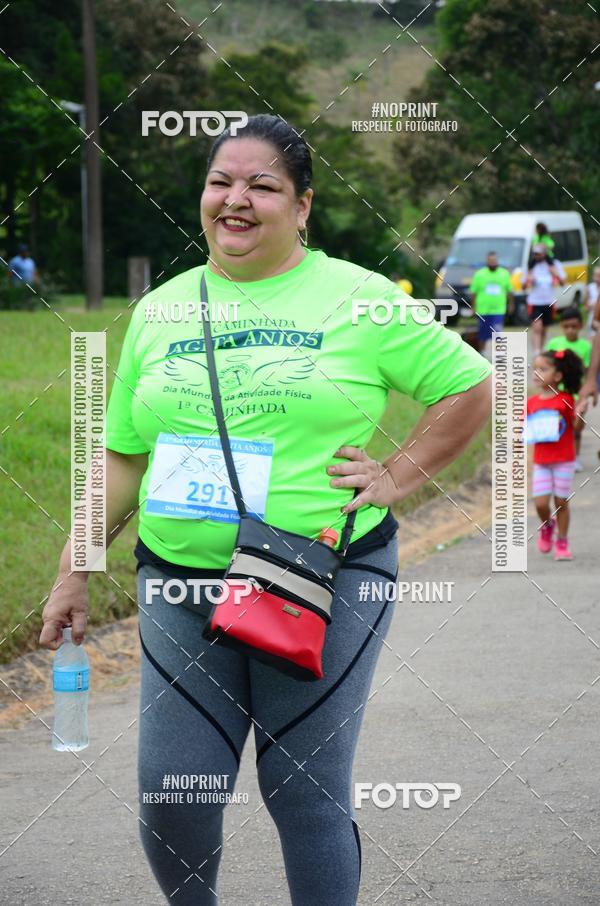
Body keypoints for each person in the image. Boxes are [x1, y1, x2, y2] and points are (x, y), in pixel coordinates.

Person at [39, 114, 492, 906]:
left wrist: (397, 474)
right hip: (179, 579)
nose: (235, 199)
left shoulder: (359, 297)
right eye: (222, 181)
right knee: (171, 794)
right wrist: (73, 569)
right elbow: (122, 455)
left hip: (318, 575)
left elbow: (472, 385)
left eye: (262, 185)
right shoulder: (163, 308)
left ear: (303, 205)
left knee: (302, 789)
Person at [527, 348, 584, 560]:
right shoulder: (530, 403)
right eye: (535, 369)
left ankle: (562, 541)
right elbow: (525, 429)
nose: (536, 373)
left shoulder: (565, 399)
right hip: (542, 461)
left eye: (543, 369)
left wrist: (581, 415)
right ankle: (547, 525)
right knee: (541, 503)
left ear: (558, 376)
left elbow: (576, 428)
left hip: (564, 460)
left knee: (561, 502)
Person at [545, 307, 591, 470]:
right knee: (557, 425)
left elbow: (588, 372)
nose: (570, 330)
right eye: (566, 326)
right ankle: (556, 457)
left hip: (577, 393)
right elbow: (547, 367)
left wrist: (587, 394)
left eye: (574, 326)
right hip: (557, 393)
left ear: (581, 325)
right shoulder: (554, 344)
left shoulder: (586, 346)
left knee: (577, 426)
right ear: (561, 327)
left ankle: (574, 457)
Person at [468, 251, 512, 357]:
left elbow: (509, 291)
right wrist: (473, 307)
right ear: (487, 262)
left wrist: (511, 304)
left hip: (498, 310)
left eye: (494, 261)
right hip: (483, 310)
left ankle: (500, 354)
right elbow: (473, 292)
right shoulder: (479, 274)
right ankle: (481, 353)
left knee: (497, 330)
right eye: (490, 261)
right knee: (483, 333)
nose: (493, 263)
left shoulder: (504, 273)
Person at [526, 243, 565, 356]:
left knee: (544, 328)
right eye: (535, 254)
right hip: (534, 301)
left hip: (549, 301)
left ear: (544, 253)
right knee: (537, 326)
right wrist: (529, 279)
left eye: (539, 254)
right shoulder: (530, 266)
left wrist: (555, 273)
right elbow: (523, 285)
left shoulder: (555, 264)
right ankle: (536, 352)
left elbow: (563, 283)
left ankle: (541, 349)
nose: (536, 256)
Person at [584, 265, 600, 336]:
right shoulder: (590, 288)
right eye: (595, 275)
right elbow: (586, 308)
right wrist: (589, 306)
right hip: (592, 318)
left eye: (599, 276)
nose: (597, 278)